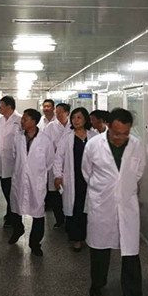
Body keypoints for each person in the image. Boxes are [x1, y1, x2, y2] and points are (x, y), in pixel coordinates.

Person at [82, 108, 146, 296]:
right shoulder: (93, 145)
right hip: (102, 204)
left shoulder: (136, 144)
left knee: (131, 255)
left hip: (127, 205)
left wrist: (123, 188)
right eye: (117, 133)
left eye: (126, 133)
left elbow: (139, 171)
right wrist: (105, 189)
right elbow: (87, 172)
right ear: (108, 126)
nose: (121, 137)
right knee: (99, 250)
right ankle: (97, 283)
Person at [8, 108, 55, 256]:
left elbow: (50, 161)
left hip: (37, 181)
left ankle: (35, 244)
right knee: (15, 208)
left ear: (34, 121)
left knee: (38, 213)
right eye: (22, 119)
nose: (22, 121)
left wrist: (38, 173)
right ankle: (18, 229)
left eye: (25, 119)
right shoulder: (18, 137)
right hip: (19, 178)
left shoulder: (45, 140)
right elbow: (14, 155)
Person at [54, 107, 97, 252]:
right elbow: (58, 158)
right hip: (73, 177)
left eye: (79, 117)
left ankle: (90, 236)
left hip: (91, 178)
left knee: (90, 208)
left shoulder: (94, 137)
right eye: (73, 118)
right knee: (76, 207)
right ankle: (76, 239)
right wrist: (58, 175)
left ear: (85, 119)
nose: (76, 120)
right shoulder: (67, 138)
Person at [43, 103, 71, 228]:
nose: (58, 114)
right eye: (57, 111)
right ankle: (59, 219)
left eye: (61, 112)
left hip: (69, 164)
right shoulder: (50, 127)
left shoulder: (72, 126)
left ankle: (69, 218)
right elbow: (45, 144)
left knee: (68, 192)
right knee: (55, 193)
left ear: (67, 113)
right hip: (54, 163)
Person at [0, 96, 22, 226]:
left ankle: (14, 216)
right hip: (2, 160)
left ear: (9, 106)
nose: (0, 108)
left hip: (14, 161)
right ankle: (10, 212)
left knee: (13, 189)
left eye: (1, 105)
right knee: (6, 188)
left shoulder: (19, 119)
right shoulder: (1, 120)